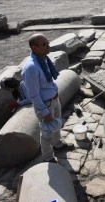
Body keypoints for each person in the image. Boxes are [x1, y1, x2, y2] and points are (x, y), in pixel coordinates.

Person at [21, 33, 74, 163]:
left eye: (47, 43)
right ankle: (48, 157)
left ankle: (58, 145)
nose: (48, 46)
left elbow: (49, 82)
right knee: (46, 133)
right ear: (34, 48)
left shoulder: (44, 59)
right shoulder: (31, 67)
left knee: (56, 125)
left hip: (54, 100)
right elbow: (33, 94)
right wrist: (44, 112)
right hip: (45, 104)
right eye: (44, 44)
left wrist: (56, 96)